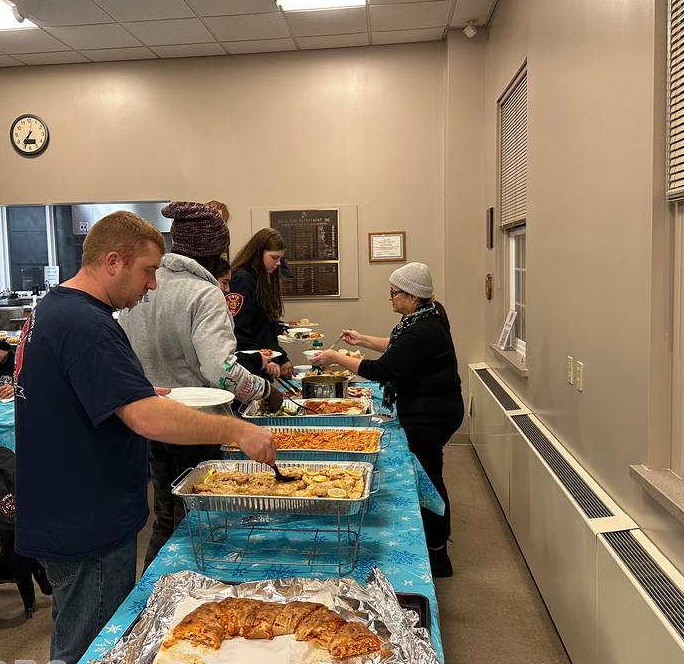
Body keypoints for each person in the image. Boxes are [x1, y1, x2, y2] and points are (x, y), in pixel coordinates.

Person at [14, 210, 275, 664]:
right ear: (113, 262)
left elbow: (94, 397)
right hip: (86, 518)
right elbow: (147, 420)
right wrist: (237, 430)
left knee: (76, 637)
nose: (153, 285)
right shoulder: (86, 324)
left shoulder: (58, 309)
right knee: (88, 658)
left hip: (65, 508)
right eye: (149, 271)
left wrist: (136, 392)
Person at [119, 202, 283, 566]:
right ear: (217, 251)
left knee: (165, 518)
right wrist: (263, 391)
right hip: (197, 427)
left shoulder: (145, 284)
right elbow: (220, 371)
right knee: (202, 523)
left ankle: (153, 601)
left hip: (150, 420)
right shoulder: (203, 292)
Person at [310, 262, 462, 577]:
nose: (389, 298)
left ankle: (437, 552)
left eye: (394, 293)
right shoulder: (420, 319)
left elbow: (385, 370)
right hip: (428, 407)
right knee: (428, 471)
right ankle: (435, 542)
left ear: (411, 295)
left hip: (432, 412)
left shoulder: (424, 328)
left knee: (430, 476)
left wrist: (336, 357)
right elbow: (397, 349)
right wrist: (361, 340)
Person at [228, 228, 293, 378]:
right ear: (258, 253)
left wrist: (282, 358)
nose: (278, 263)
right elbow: (238, 330)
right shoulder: (242, 279)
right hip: (249, 366)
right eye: (274, 258)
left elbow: (263, 327)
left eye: (280, 258)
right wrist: (261, 359)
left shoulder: (259, 278)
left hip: (260, 363)